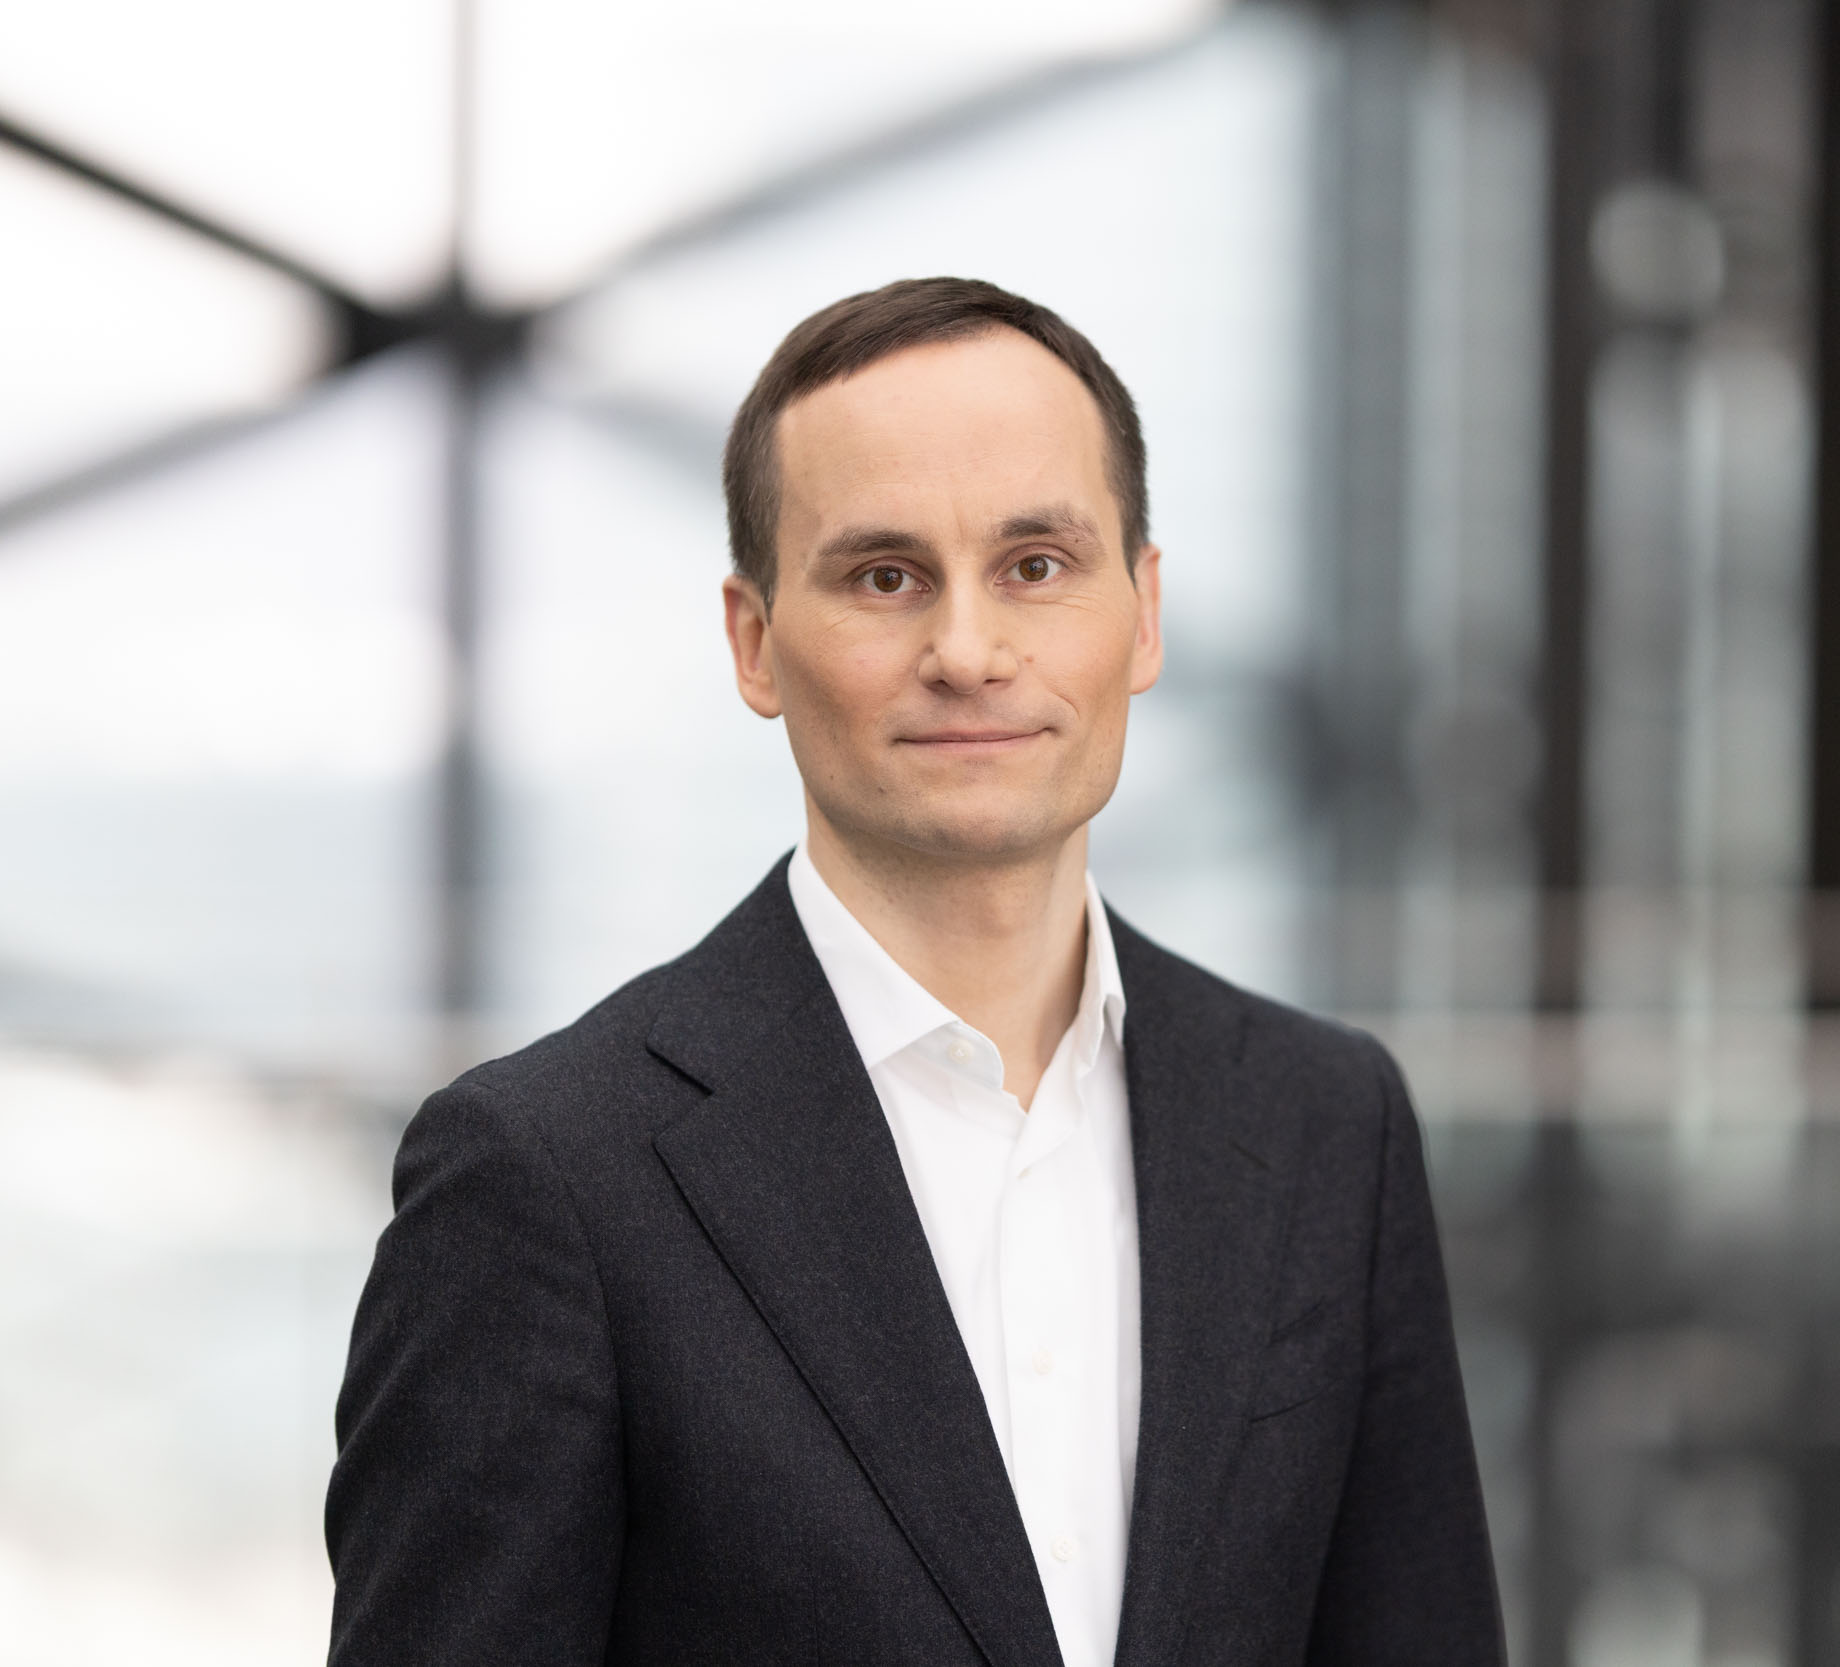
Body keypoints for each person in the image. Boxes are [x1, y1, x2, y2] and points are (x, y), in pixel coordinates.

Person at [325, 277, 1503, 1666]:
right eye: (885, 578)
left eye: (1036, 566)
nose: (967, 652)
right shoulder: (545, 1179)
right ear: (755, 643)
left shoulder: (1327, 1123)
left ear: (1143, 614)